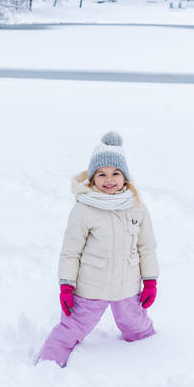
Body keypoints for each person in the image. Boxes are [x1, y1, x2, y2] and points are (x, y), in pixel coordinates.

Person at [36, 131, 160, 367]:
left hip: (127, 287)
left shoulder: (137, 208)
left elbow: (147, 247)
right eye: (101, 174)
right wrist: (66, 284)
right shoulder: (84, 209)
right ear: (93, 179)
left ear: (125, 177)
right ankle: (47, 363)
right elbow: (70, 251)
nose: (109, 179)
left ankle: (150, 363)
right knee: (72, 327)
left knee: (139, 328)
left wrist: (150, 280)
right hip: (91, 287)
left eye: (116, 173)